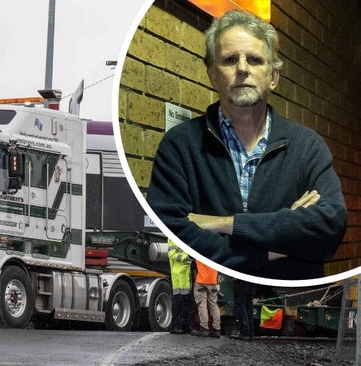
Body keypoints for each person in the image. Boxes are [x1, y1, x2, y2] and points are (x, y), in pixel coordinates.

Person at [146, 9, 347, 280]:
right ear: (212, 75)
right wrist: (275, 248)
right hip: (212, 300)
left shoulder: (307, 146)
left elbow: (330, 226)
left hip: (290, 306)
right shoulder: (180, 146)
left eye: (254, 59)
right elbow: (174, 234)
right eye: (230, 60)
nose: (242, 69)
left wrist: (226, 224)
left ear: (273, 77)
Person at [167, 239, 192, 334]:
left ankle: (185, 325)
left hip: (186, 275)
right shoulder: (172, 238)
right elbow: (172, 255)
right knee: (178, 302)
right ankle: (175, 326)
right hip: (178, 275)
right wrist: (186, 258)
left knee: (186, 303)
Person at [190, 259, 221, 338]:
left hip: (201, 281)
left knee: (202, 304)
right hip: (213, 280)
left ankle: (204, 328)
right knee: (214, 304)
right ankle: (216, 329)